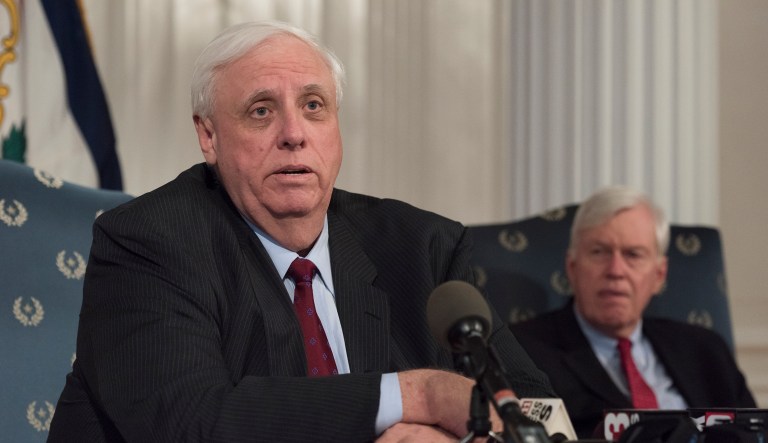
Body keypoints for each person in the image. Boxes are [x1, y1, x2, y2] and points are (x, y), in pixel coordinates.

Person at [48, 21, 555, 442]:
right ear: (208, 136)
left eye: (314, 106)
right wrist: (417, 395)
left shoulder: (423, 246)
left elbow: (535, 405)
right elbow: (192, 422)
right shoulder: (148, 243)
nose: (294, 134)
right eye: (261, 111)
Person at [510, 186, 756, 438]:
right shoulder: (520, 354)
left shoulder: (706, 351)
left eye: (633, 254)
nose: (616, 270)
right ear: (572, 267)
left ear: (659, 275)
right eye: (599, 252)